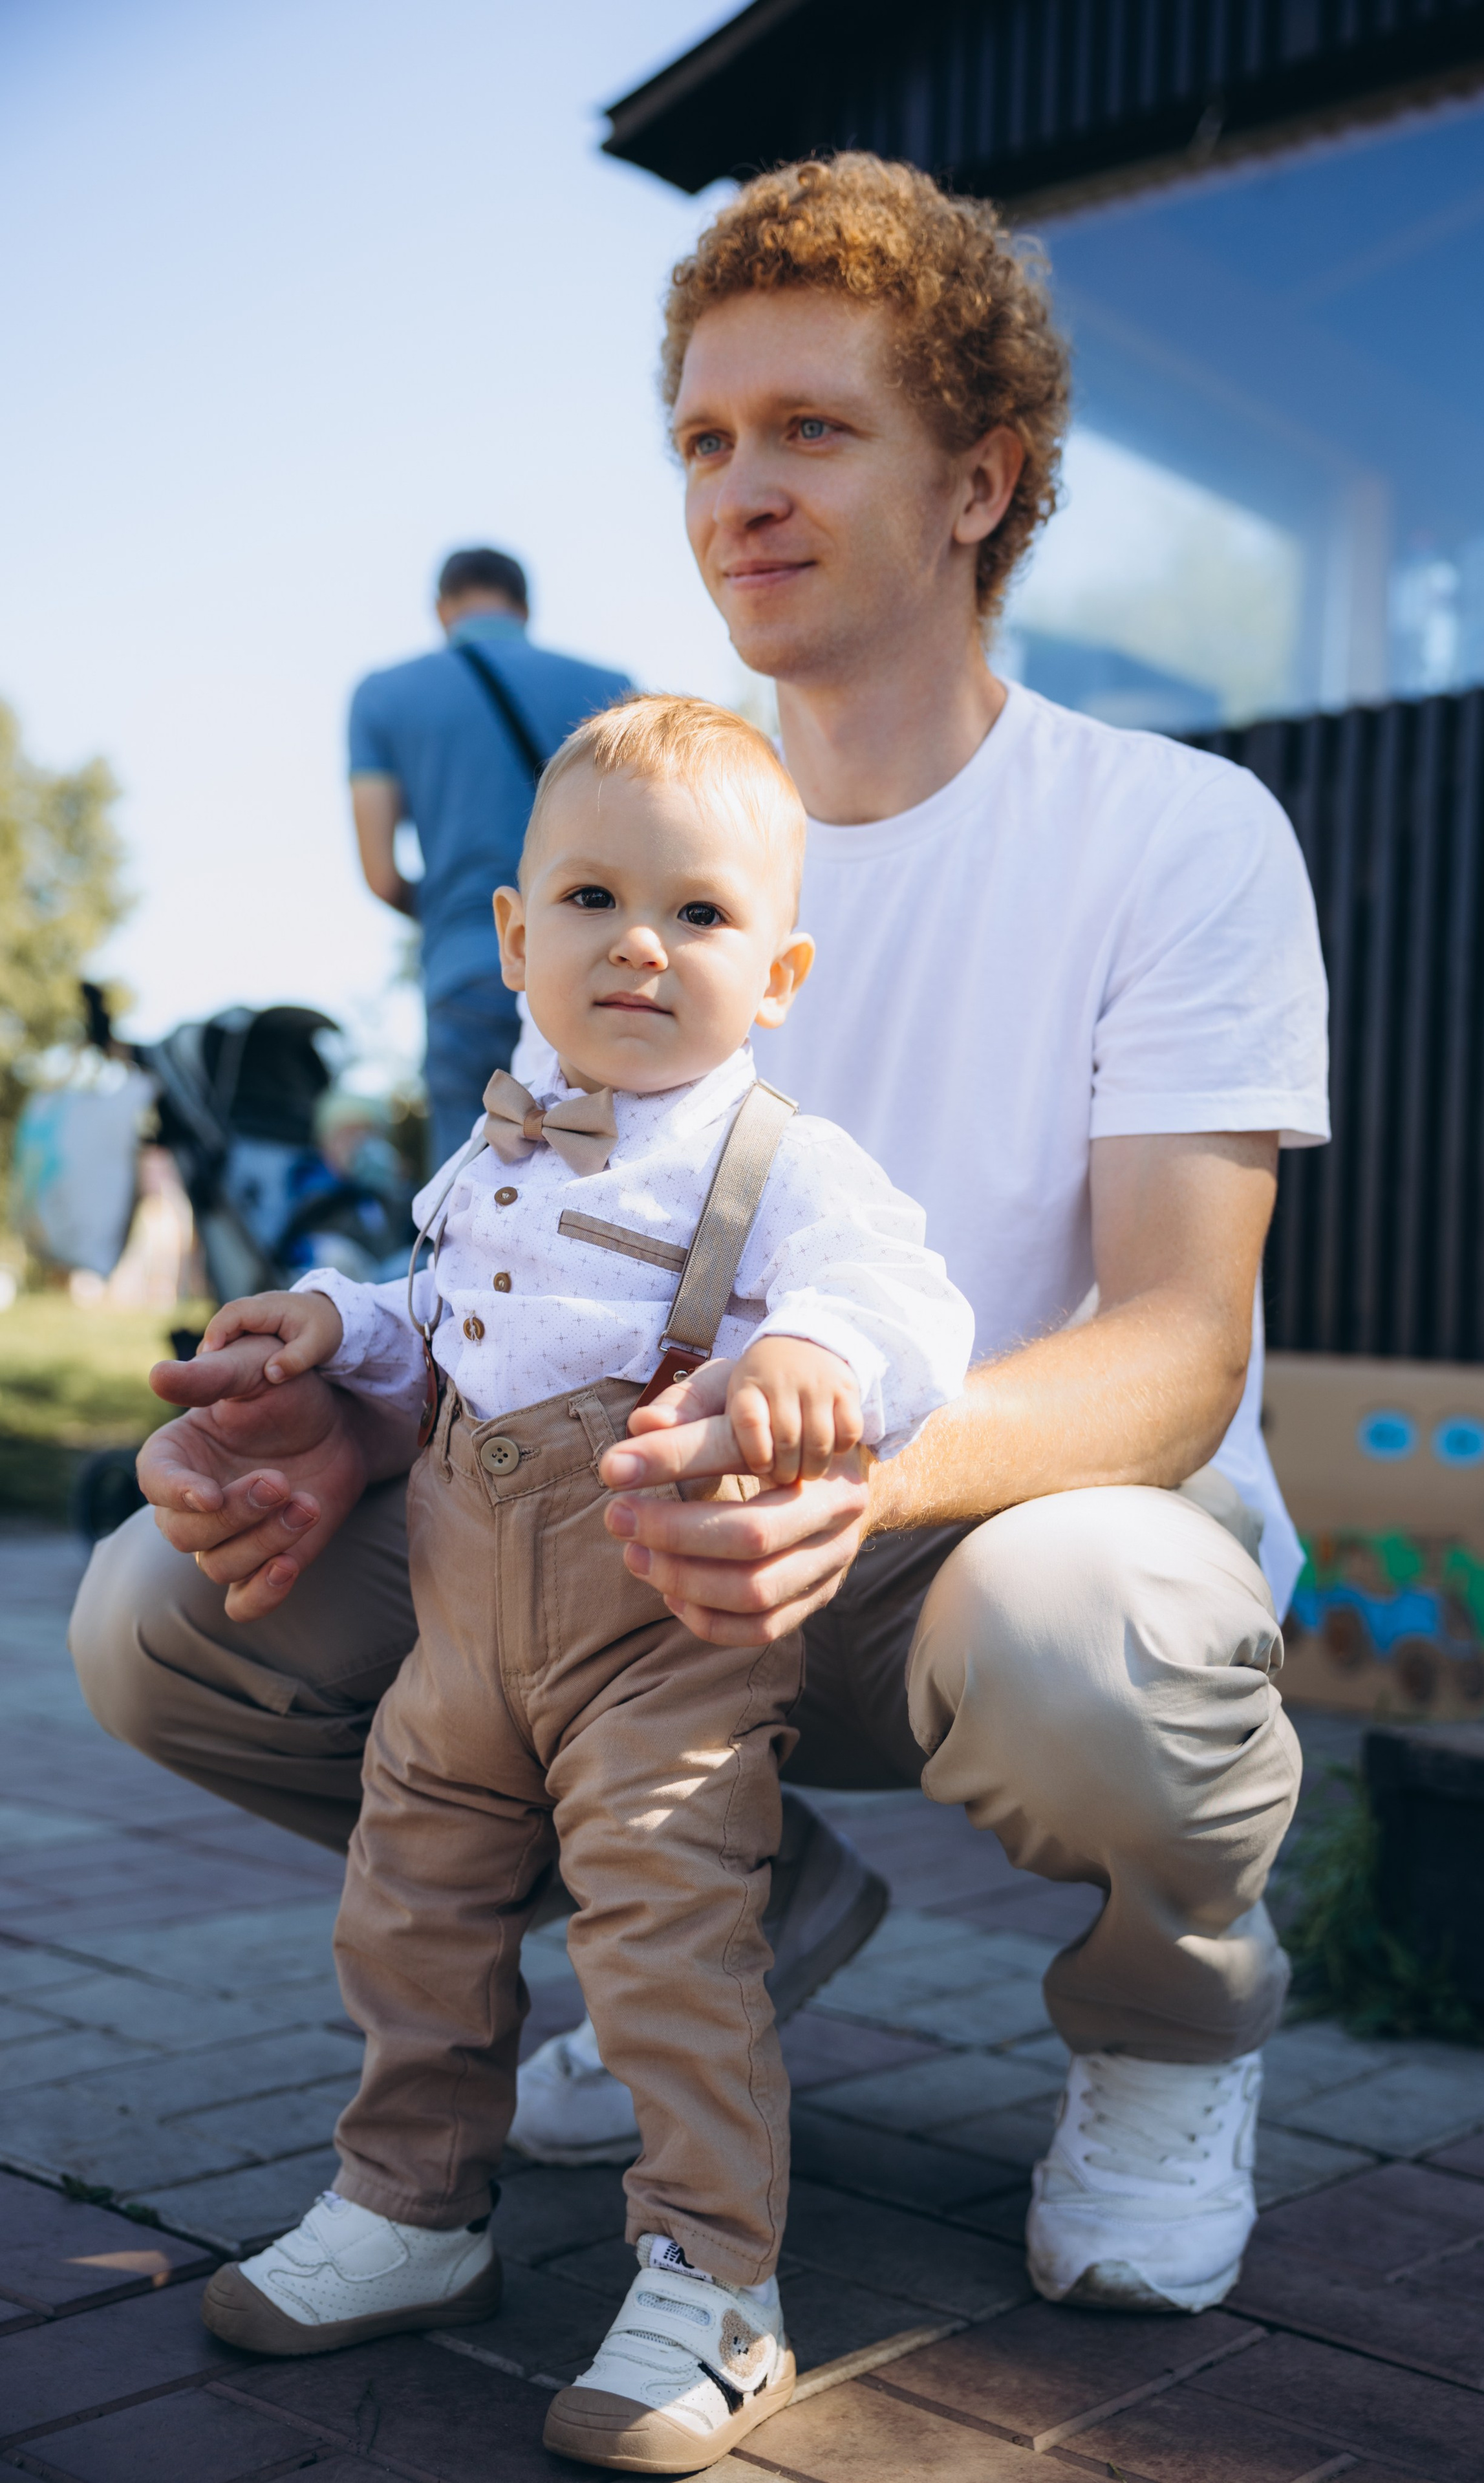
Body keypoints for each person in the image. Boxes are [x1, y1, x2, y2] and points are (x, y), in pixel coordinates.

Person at [70, 148, 1327, 2387]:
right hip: (638, 1561)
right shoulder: (648, 834)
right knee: (165, 1617)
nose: (740, 489)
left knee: (1087, 1635)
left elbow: (1174, 1339)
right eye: (706, 441)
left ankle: (1162, 2026)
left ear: (983, 482)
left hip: (990, 1546)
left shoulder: (1172, 833)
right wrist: (351, 1407)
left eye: (816, 431)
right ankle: (726, 1913)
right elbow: (542, 1255)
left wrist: (867, 1462)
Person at [191, 694, 971, 2470]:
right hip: (461, 1638)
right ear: (513, 936)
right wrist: (338, 1328)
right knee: (410, 1919)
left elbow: (910, 1296)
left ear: (775, 974)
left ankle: (714, 2284)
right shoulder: (496, 1144)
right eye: (597, 902)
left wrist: (824, 1353)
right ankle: (408, 2206)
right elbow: (443, 1343)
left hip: (662, 1643)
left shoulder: (777, 1162)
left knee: (669, 1949)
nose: (641, 943)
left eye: (699, 916)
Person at [349, 544, 630, 1165]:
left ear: (442, 609)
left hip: (466, 964)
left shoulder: (382, 697)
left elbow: (380, 873)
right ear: (525, 607)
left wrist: (458, 918)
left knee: (463, 1199)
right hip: (598, 971)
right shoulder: (612, 691)